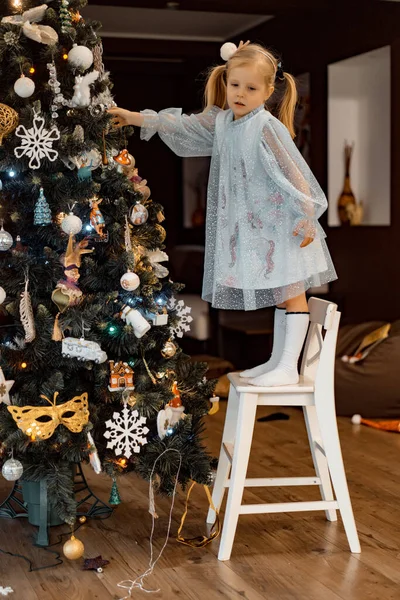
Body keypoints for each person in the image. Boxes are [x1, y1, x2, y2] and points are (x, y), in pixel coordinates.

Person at [108, 41, 337, 387]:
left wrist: (308, 214)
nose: (240, 94)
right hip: (259, 226)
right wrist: (134, 117)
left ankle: (288, 366)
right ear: (226, 81)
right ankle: (278, 360)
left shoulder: (265, 126)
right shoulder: (224, 122)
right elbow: (182, 126)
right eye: (235, 85)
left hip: (281, 222)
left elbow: (295, 173)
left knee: (291, 290)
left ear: (268, 92)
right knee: (280, 291)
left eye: (251, 88)